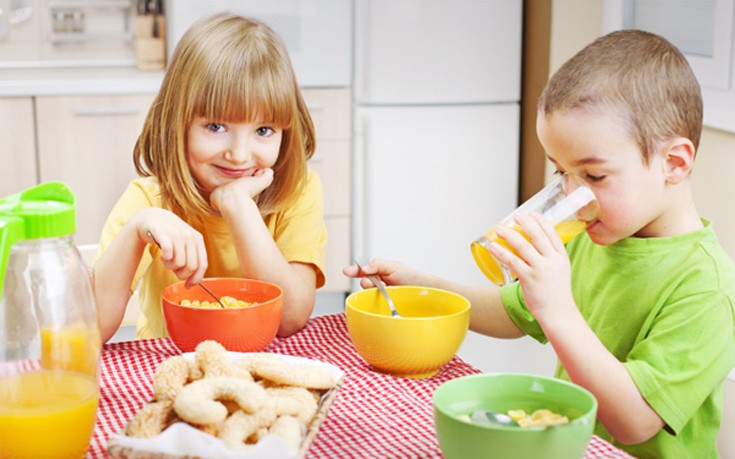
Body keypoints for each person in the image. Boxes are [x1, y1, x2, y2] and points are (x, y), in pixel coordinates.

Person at [345, 30, 735, 458]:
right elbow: (514, 313)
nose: (571, 196)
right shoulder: (595, 235)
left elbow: (635, 420)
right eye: (560, 174)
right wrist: (425, 286)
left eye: (594, 176)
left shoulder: (707, 288)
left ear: (673, 163)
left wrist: (558, 309)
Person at [94, 13, 326, 343]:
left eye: (263, 130)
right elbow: (88, 330)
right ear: (178, 123)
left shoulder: (298, 192)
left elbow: (290, 318)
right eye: (216, 127)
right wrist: (136, 229)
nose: (239, 154)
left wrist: (237, 205)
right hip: (171, 365)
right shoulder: (149, 201)